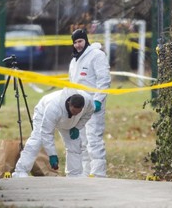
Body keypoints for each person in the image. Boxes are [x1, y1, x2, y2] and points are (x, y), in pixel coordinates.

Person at [12, 88, 94, 178]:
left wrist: (78, 127)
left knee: (74, 143)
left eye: (78, 112)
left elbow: (88, 113)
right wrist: (52, 155)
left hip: (70, 122)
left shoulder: (88, 102)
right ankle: (20, 171)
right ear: (69, 104)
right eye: (74, 111)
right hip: (43, 113)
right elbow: (46, 133)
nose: (75, 114)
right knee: (37, 140)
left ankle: (74, 174)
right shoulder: (54, 108)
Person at [68, 29, 111, 177]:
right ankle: (86, 174)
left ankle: (98, 174)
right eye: (75, 42)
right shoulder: (74, 61)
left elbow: (104, 79)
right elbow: (71, 83)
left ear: (86, 40)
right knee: (81, 141)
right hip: (78, 106)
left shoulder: (97, 55)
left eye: (80, 41)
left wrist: (98, 100)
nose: (77, 45)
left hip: (93, 105)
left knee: (94, 139)